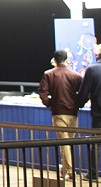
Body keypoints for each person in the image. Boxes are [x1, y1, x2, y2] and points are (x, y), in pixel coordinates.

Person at [39, 48, 83, 180]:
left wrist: (50, 103)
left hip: (58, 112)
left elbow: (43, 92)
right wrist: (78, 104)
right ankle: (64, 170)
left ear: (54, 60)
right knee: (68, 141)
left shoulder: (48, 74)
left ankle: (70, 171)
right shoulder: (76, 75)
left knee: (64, 142)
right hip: (73, 112)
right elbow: (82, 93)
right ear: (67, 60)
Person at [76, 43, 101, 177]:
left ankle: (92, 173)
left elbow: (83, 94)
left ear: (96, 55)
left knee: (96, 145)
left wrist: (77, 103)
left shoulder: (92, 69)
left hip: (98, 116)